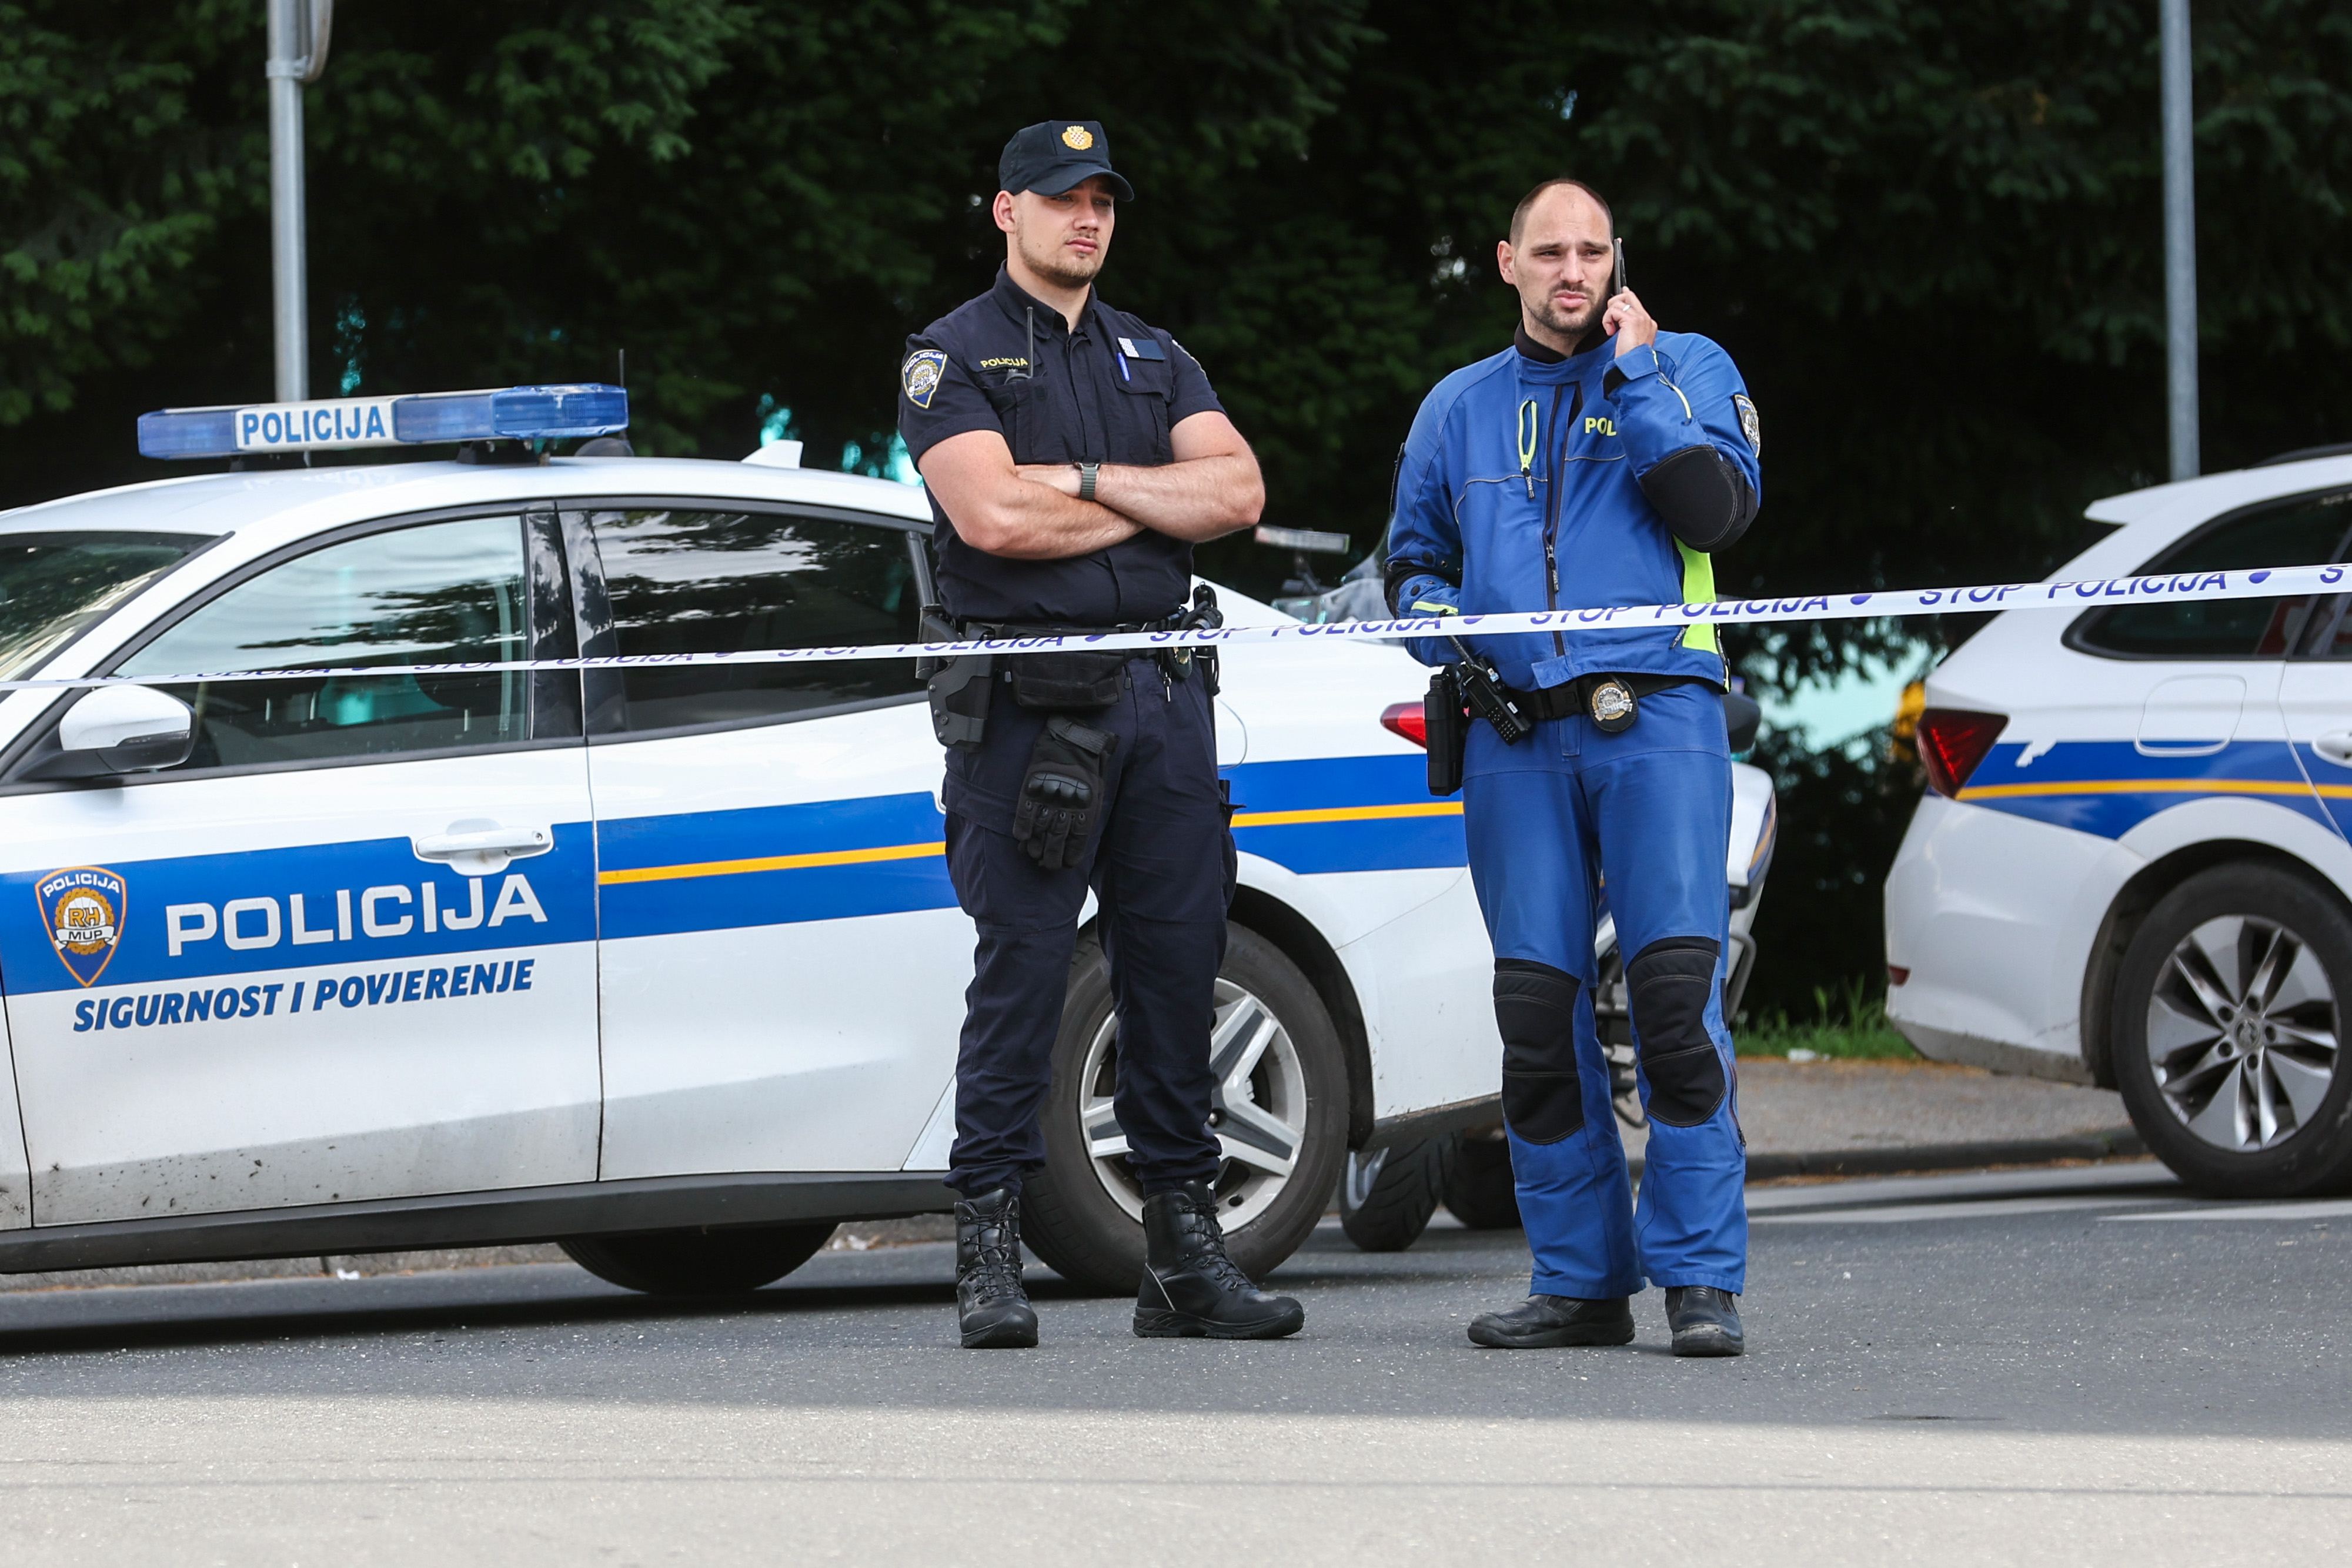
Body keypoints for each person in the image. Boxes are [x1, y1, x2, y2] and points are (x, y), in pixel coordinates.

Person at [897, 120, 1303, 1349]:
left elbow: (1236, 494)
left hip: (1166, 704)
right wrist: (1142, 504)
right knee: (1021, 976)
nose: (1088, 218)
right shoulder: (948, 357)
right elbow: (988, 520)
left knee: (1176, 976)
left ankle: (1182, 1256)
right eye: (1062, 198)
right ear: (1003, 211)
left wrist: (1071, 481)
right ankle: (986, 1250)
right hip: (1030, 715)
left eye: (1103, 201)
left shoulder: (1153, 353)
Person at [1384, 176, 1762, 1356]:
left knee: (1671, 1007)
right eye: (1547, 252)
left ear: (1615, 260)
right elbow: (1411, 565)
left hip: (1657, 720)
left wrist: (1636, 378)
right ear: (1504, 262)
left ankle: (1699, 1277)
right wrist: (1453, 635)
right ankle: (1578, 1280)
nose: (1570, 272)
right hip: (1512, 734)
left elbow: (1715, 510)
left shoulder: (1684, 365)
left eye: (1590, 251)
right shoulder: (1455, 406)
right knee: (1534, 1015)